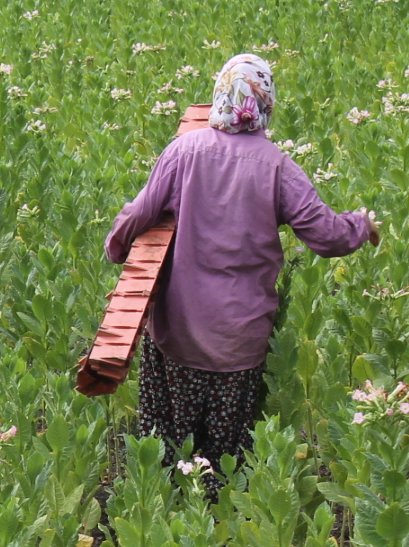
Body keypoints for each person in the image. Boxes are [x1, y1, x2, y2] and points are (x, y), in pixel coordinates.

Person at [106, 54, 377, 494]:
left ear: (220, 94)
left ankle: (167, 522)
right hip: (239, 340)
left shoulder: (184, 151)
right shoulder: (277, 167)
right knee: (224, 461)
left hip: (178, 332)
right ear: (266, 103)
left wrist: (117, 247)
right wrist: (361, 225)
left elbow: (141, 212)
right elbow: (327, 236)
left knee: (165, 454)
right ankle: (218, 524)